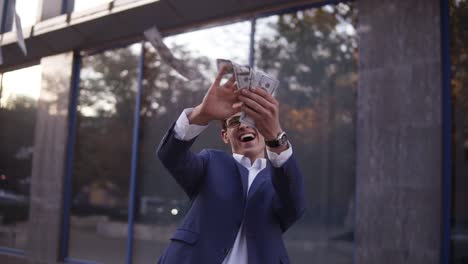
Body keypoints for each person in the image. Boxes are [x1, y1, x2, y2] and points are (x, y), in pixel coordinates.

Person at [156, 66, 305, 264]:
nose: (244, 125)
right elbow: (171, 155)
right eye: (235, 121)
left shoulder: (282, 179)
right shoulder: (211, 163)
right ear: (225, 135)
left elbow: (294, 204)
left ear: (266, 127)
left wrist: (277, 139)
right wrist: (201, 114)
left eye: (253, 120)